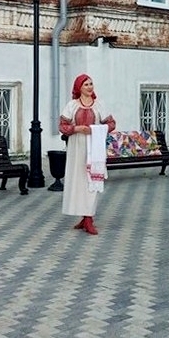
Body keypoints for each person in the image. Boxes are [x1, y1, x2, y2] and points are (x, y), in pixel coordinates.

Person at [58, 74, 116, 235]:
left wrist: (93, 130)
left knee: (91, 180)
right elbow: (62, 126)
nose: (90, 87)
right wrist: (76, 129)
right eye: (86, 84)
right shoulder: (72, 105)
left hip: (94, 146)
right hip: (77, 147)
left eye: (91, 84)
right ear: (79, 88)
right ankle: (84, 217)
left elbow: (111, 124)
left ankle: (89, 218)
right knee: (79, 181)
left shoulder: (99, 105)